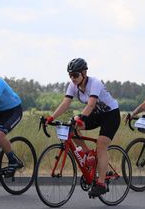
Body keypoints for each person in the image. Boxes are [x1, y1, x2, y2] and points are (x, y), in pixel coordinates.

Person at [45, 58, 121, 197]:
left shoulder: (95, 83)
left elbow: (91, 104)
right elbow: (65, 103)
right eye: (70, 75)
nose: (73, 78)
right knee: (71, 129)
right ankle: (88, 156)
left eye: (75, 75)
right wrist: (51, 118)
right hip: (96, 115)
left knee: (101, 145)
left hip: (111, 115)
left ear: (84, 73)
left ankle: (101, 183)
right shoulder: (72, 86)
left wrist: (80, 118)